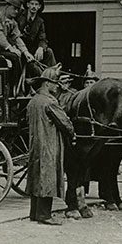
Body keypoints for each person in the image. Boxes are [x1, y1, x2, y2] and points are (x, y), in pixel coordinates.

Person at [26, 66, 76, 225]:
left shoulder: (33, 101)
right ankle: (44, 215)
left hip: (36, 144)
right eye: (55, 84)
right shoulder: (50, 102)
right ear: (47, 84)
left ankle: (34, 213)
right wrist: (72, 133)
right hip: (49, 144)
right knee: (48, 177)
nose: (57, 87)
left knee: (36, 176)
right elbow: (64, 123)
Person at [0, 0, 35, 92]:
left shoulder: (13, 23)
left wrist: (26, 52)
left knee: (23, 57)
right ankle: (11, 89)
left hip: (1, 48)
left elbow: (17, 38)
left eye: (18, 9)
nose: (16, 11)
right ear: (7, 6)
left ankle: (22, 88)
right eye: (14, 8)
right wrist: (10, 48)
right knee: (14, 57)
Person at [17, 0, 56, 77]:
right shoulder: (19, 16)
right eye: (32, 4)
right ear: (28, 5)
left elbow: (43, 38)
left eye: (36, 4)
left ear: (39, 7)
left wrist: (41, 48)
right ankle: (43, 78)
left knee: (49, 51)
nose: (34, 6)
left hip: (31, 50)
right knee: (32, 65)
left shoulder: (40, 21)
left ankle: (53, 75)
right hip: (18, 49)